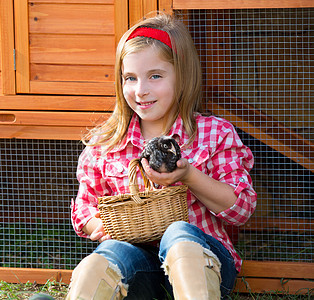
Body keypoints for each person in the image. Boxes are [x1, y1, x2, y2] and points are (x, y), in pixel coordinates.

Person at [67, 12, 257, 300]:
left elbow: (241, 209)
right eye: (130, 78)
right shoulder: (105, 144)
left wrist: (190, 176)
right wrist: (103, 224)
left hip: (205, 264)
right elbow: (84, 210)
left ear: (182, 75)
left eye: (155, 76)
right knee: (105, 256)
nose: (141, 91)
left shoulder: (214, 134)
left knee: (179, 233)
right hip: (137, 271)